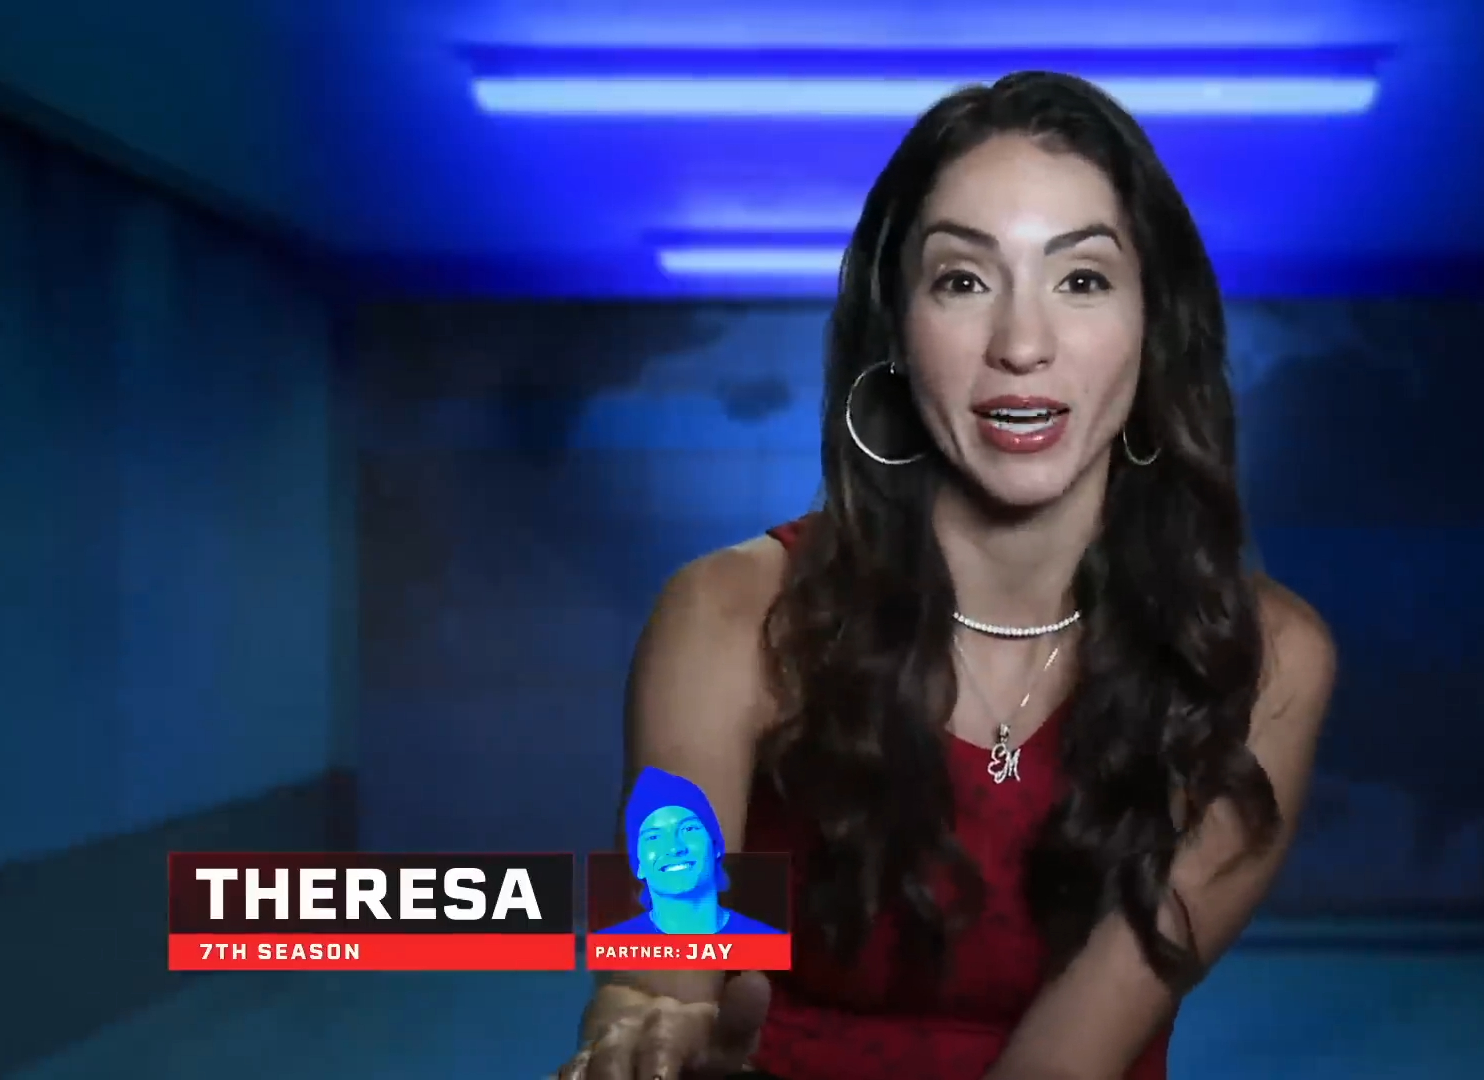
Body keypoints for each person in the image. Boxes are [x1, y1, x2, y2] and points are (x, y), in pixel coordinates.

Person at [555, 70, 1336, 1080]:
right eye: (962, 281)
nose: (1022, 345)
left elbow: (1066, 1063)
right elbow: (666, 960)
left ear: (1154, 329)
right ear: (898, 329)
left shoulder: (1261, 663)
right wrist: (646, 1034)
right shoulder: (726, 614)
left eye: (1082, 280)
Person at [595, 767, 782, 935]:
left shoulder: (767, 944)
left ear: (716, 846)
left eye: (689, 829)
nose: (674, 848)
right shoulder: (612, 949)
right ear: (639, 866)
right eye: (653, 837)